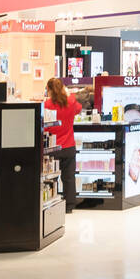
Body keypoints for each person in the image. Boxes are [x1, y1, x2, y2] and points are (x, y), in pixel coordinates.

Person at [43, 77, 82, 212]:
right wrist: (67, 94)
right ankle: (69, 206)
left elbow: (44, 124)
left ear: (49, 89)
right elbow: (79, 109)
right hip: (69, 146)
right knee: (69, 177)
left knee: (50, 177)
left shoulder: (47, 104)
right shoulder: (70, 101)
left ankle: (49, 202)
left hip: (53, 147)